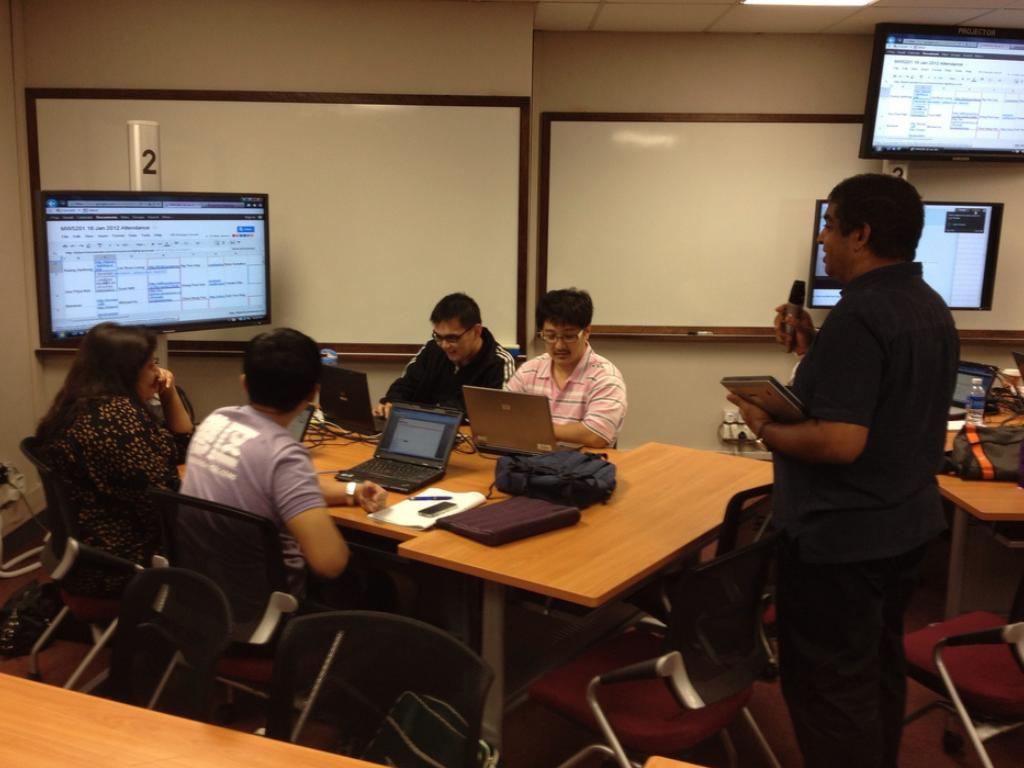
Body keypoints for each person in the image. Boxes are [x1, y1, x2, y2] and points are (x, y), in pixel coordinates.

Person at [727, 173, 959, 768]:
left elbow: (838, 441)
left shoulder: (860, 315)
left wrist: (760, 422)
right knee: (877, 667)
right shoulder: (928, 305)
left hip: (842, 541)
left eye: (829, 224)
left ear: (861, 234)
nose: (822, 238)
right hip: (904, 528)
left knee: (829, 688)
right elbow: (881, 405)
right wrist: (813, 351)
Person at [181, 328, 386, 601]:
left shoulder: (214, 422)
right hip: (268, 603)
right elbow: (330, 564)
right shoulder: (284, 455)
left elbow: (277, 487)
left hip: (204, 593)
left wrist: (352, 491)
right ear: (313, 394)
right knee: (383, 583)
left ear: (244, 383)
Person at [35, 322, 193, 598]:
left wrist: (168, 393)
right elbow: (167, 501)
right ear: (126, 372)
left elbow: (180, 447)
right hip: (120, 562)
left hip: (89, 548)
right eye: (150, 366)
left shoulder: (81, 401)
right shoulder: (116, 422)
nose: (158, 373)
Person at [506, 288, 626, 448]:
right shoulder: (529, 371)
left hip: (582, 462)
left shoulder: (605, 377)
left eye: (569, 336)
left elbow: (596, 434)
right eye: (550, 336)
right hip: (531, 458)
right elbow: (503, 414)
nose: (559, 345)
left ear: (587, 332)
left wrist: (537, 429)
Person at [375, 292, 515, 418]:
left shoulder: (499, 362)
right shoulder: (431, 350)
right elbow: (405, 385)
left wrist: (440, 411)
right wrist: (391, 402)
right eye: (438, 336)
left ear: (476, 331)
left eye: (452, 338)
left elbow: (497, 415)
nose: (444, 345)